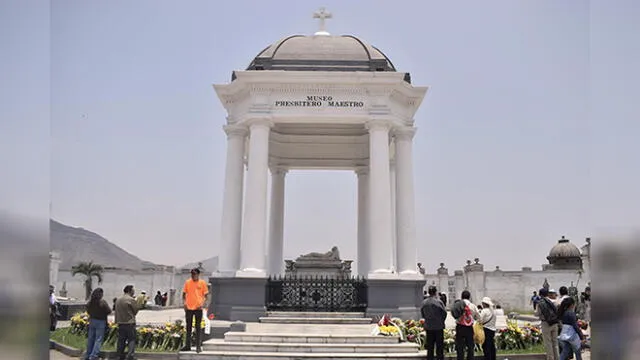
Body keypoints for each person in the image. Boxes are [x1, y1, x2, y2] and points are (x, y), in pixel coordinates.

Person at [181, 268, 210, 353]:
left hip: (198, 308)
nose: (193, 275)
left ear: (198, 274)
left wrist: (203, 304)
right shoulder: (187, 282)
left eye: (194, 274)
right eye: (192, 274)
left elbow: (206, 296)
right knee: (188, 328)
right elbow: (183, 294)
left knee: (198, 328)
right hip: (189, 308)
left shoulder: (202, 283)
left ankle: (198, 346)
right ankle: (187, 345)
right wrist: (184, 303)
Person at [421, 286, 447, 360]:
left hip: (429, 327)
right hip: (438, 327)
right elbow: (444, 313)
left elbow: (422, 314)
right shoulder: (439, 302)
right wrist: (441, 321)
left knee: (430, 347)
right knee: (439, 347)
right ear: (435, 292)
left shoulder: (424, 302)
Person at [85, 288, 112, 360]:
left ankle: (88, 354)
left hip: (92, 320)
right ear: (100, 294)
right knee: (98, 339)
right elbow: (109, 311)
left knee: (91, 338)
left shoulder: (90, 302)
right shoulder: (102, 302)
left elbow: (87, 309)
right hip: (100, 321)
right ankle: (94, 355)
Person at [535, 288, 560, 360]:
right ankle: (557, 358)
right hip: (554, 323)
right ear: (547, 294)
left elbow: (537, 314)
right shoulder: (554, 301)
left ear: (540, 294)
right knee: (555, 343)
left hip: (546, 323)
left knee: (548, 343)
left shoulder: (540, 302)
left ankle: (550, 358)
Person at [454, 290, 480, 360]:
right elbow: (478, 317)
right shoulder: (473, 306)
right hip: (469, 328)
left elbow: (454, 314)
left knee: (460, 346)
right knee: (470, 346)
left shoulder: (458, 305)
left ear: (461, 297)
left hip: (460, 327)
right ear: (469, 297)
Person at [115, 285, 139, 360]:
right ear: (129, 291)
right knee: (131, 339)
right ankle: (130, 355)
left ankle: (119, 355)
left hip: (120, 322)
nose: (134, 291)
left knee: (121, 340)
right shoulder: (131, 299)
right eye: (133, 290)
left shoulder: (118, 299)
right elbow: (135, 310)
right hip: (129, 322)